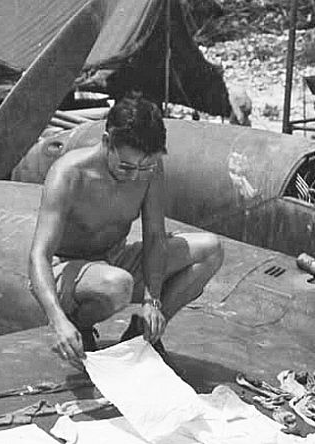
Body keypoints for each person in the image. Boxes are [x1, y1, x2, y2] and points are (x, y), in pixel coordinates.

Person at [28, 93, 223, 368]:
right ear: (107, 142)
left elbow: (155, 237)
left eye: (145, 167)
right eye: (126, 166)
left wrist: (153, 301)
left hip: (114, 260)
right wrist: (57, 320)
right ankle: (78, 325)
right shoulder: (69, 174)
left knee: (211, 249)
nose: (134, 176)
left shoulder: (148, 170)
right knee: (118, 284)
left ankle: (143, 335)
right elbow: (39, 256)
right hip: (67, 270)